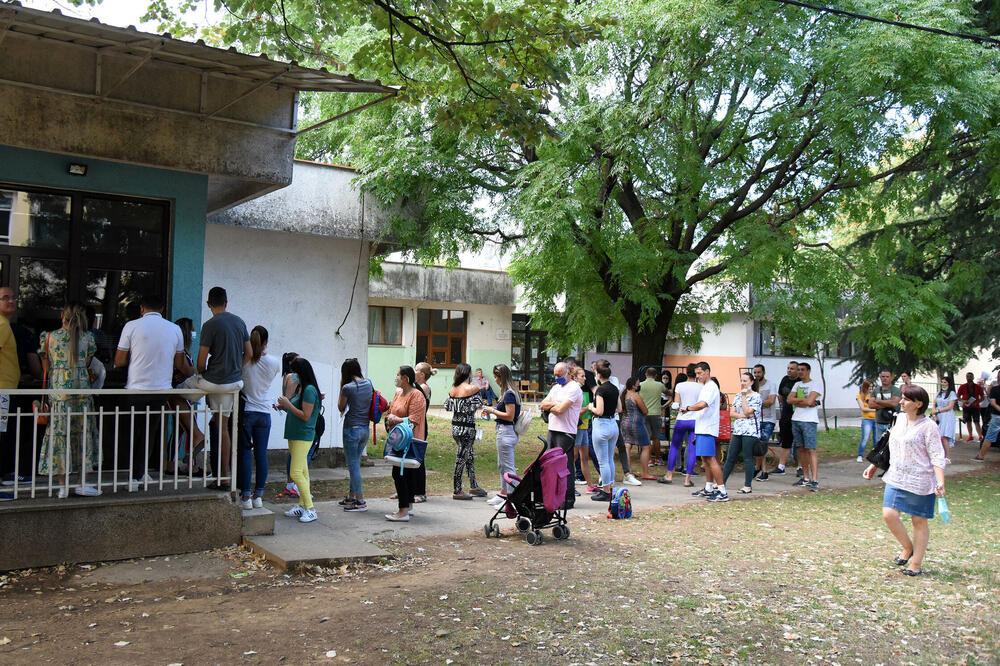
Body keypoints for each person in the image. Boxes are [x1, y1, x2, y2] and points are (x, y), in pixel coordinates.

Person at [863, 384, 946, 576]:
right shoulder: (898, 419)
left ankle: (915, 564)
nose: (901, 402)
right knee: (889, 514)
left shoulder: (929, 426)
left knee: (919, 521)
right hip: (896, 476)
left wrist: (940, 481)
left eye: (906, 399)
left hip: (921, 480)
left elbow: (937, 455)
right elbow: (887, 446)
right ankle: (908, 547)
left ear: (918, 404)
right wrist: (874, 465)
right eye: (902, 398)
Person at [178, 287, 251, 489]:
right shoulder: (240, 322)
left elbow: (201, 362)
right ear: (226, 303)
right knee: (223, 428)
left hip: (212, 381)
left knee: (174, 394)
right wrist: (235, 368)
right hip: (233, 383)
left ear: (209, 304)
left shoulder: (209, 325)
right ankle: (225, 477)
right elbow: (249, 352)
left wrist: (201, 372)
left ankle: (196, 434)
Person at [114, 293, 187, 487]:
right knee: (150, 432)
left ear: (141, 308)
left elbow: (119, 361)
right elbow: (179, 363)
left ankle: (132, 475)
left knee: (132, 432)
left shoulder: (131, 326)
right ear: (162, 309)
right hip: (161, 389)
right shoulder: (175, 329)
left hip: (135, 388)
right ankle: (142, 472)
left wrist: (137, 358)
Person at [38, 303, 100, 495]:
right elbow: (88, 362)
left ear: (61, 316)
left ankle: (62, 486)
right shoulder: (88, 338)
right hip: (82, 392)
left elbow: (46, 365)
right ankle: (81, 483)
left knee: (60, 437)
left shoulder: (48, 337)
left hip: (59, 393)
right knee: (84, 436)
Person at [0, 286, 42, 488]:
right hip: (3, 392)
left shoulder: (5, 325)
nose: (10, 301)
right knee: (3, 435)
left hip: (7, 388)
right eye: (4, 298)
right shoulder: (1, 325)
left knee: (5, 433)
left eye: (13, 297)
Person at [237, 326, 280, 510]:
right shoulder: (274, 362)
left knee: (245, 454)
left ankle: (245, 496)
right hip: (264, 412)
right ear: (266, 342)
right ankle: (259, 495)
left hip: (247, 411)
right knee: (261, 455)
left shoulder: (244, 360)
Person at [277, 356, 321, 523]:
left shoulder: (309, 390)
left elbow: (305, 416)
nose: (292, 375)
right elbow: (297, 411)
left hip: (303, 435)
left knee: (295, 472)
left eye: (294, 371)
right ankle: (302, 505)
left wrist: (288, 404)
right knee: (302, 471)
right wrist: (285, 406)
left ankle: (310, 508)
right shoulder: (302, 388)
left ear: (301, 372)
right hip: (295, 435)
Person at [384, 365, 428, 521]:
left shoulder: (416, 395)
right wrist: (390, 418)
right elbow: (392, 410)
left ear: (405, 378)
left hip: (410, 441)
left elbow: (414, 419)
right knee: (405, 473)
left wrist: (397, 420)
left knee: (400, 473)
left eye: (398, 375)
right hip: (398, 440)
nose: (395, 378)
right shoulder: (399, 393)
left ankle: (402, 510)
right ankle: (408, 506)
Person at [539, 361, 583, 508]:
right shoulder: (556, 387)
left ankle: (568, 498)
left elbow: (560, 410)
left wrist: (554, 405)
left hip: (567, 432)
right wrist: (555, 404)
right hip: (553, 429)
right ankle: (553, 495)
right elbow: (543, 404)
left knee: (565, 466)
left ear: (569, 373)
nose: (557, 377)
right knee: (550, 465)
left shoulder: (574, 388)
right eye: (555, 375)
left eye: (560, 375)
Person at [444, 363, 487, 500]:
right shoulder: (472, 388)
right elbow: (479, 404)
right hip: (467, 428)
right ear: (468, 374)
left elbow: (447, 406)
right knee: (461, 457)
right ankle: (457, 490)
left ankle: (473, 485)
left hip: (455, 426)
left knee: (469, 454)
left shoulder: (453, 389)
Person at [683, 362, 725, 501]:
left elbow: (702, 405)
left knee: (711, 460)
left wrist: (688, 408)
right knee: (705, 460)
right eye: (696, 374)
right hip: (702, 428)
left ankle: (722, 491)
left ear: (707, 372)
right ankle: (708, 487)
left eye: (700, 373)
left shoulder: (711, 387)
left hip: (708, 428)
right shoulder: (705, 387)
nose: (698, 376)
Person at [338, 358, 373, 512]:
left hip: (351, 429)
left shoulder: (347, 387)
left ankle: (360, 501)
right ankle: (351, 496)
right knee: (355, 464)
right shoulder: (368, 383)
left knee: (353, 466)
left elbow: (341, 406)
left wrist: (341, 385)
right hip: (365, 429)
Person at [482, 363, 520, 505]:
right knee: (502, 465)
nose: (495, 380)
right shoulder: (508, 392)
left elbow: (509, 416)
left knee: (508, 468)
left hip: (506, 432)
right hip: (504, 431)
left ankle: (512, 500)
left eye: (496, 377)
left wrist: (492, 411)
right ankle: (503, 494)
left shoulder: (509, 393)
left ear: (501, 377)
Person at [168, 317, 202, 474]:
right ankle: (191, 466)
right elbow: (187, 371)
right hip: (180, 395)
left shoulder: (183, 353)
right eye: (192, 329)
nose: (195, 332)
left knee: (179, 430)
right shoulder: (178, 353)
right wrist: (193, 371)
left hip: (182, 394)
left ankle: (172, 463)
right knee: (190, 430)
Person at [720, 372, 762, 496]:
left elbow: (748, 411)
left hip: (750, 431)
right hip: (738, 429)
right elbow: (732, 413)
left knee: (748, 457)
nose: (743, 383)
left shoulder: (756, 396)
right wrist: (742, 415)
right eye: (741, 381)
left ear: (752, 382)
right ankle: (722, 482)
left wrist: (744, 397)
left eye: (745, 381)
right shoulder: (737, 395)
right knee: (730, 457)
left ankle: (747, 485)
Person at [787, 361, 823, 492]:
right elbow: (789, 400)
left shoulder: (815, 384)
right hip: (796, 419)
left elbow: (810, 401)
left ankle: (815, 479)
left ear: (808, 371)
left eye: (802, 370)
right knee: (800, 449)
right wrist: (804, 402)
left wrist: (803, 401)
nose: (800, 372)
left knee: (811, 449)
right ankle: (805, 477)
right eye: (799, 370)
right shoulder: (797, 384)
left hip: (809, 420)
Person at [660, 371, 699, 486]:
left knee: (675, 446)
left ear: (687, 373)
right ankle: (687, 479)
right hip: (695, 420)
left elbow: (675, 404)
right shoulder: (701, 387)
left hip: (682, 419)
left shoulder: (680, 386)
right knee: (692, 447)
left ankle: (669, 475)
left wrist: (678, 408)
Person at [587, 364, 619, 500]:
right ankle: (610, 487)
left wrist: (590, 406)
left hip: (601, 424)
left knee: (603, 461)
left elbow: (599, 411)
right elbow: (620, 408)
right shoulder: (614, 388)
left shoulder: (600, 391)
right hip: (613, 424)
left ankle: (605, 491)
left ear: (599, 375)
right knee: (610, 458)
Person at [571, 366, 598, 491]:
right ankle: (569, 487)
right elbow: (575, 411)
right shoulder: (575, 390)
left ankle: (590, 485)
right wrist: (588, 408)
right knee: (573, 457)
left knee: (585, 457)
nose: (585, 378)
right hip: (577, 428)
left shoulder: (583, 391)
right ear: (575, 377)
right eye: (582, 376)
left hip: (584, 426)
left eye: (585, 376)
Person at [621, 377, 651, 487]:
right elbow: (645, 410)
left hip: (625, 422)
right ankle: (645, 472)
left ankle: (628, 472)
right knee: (646, 446)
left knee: (627, 445)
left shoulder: (624, 395)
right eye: (638, 384)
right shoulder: (635, 396)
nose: (639, 385)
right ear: (634, 386)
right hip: (636, 422)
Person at [752, 364, 777, 481]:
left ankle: (764, 471)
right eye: (755, 372)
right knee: (757, 444)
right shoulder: (752, 386)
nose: (757, 375)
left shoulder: (771, 385)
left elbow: (771, 401)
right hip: (756, 419)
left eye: (759, 372)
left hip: (768, 420)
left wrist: (756, 403)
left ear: (763, 372)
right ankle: (758, 468)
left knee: (763, 443)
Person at [774, 361, 799, 475]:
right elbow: (780, 395)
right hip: (786, 415)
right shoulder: (785, 379)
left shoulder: (800, 382)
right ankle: (781, 466)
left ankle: (800, 467)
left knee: (799, 443)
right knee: (785, 441)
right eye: (788, 368)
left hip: (798, 415)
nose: (789, 370)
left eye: (792, 369)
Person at [638, 367, 664, 468]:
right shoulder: (660, 385)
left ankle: (649, 460)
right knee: (656, 437)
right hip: (656, 413)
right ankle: (658, 458)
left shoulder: (640, 385)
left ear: (645, 374)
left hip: (644, 413)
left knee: (647, 438)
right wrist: (664, 406)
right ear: (656, 375)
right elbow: (668, 393)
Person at [974, 369, 1000, 462]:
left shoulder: (995, 389)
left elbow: (993, 403)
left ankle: (980, 456)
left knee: (989, 437)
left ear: (998, 378)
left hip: (997, 416)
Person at [870, 370, 901, 444]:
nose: (885, 378)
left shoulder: (896, 390)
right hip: (879, 422)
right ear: (880, 378)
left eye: (887, 377)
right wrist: (888, 403)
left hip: (892, 423)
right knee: (879, 445)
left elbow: (894, 403)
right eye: (883, 376)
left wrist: (878, 401)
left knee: (892, 444)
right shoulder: (876, 390)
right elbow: (871, 405)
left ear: (891, 378)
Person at [932, 377, 958, 453]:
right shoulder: (938, 393)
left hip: (947, 415)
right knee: (937, 436)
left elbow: (950, 406)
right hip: (938, 415)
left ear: (948, 383)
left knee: (944, 436)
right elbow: (934, 403)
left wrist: (938, 410)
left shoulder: (951, 393)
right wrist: (934, 414)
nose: (943, 384)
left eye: (945, 382)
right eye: (942, 382)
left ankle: (947, 456)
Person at [956, 372, 983, 442]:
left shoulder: (978, 387)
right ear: (966, 377)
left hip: (975, 407)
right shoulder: (962, 386)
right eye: (968, 376)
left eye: (971, 376)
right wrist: (963, 401)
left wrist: (977, 402)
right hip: (966, 407)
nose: (969, 378)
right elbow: (958, 396)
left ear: (973, 377)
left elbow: (982, 397)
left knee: (976, 421)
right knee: (968, 421)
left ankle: (980, 436)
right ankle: (970, 435)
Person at [856, 380, 876, 462]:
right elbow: (863, 408)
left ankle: (875, 456)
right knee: (865, 438)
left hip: (876, 419)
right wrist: (875, 410)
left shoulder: (874, 395)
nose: (870, 388)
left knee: (877, 439)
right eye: (869, 386)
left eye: (872, 386)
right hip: (867, 420)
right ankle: (860, 455)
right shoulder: (860, 396)